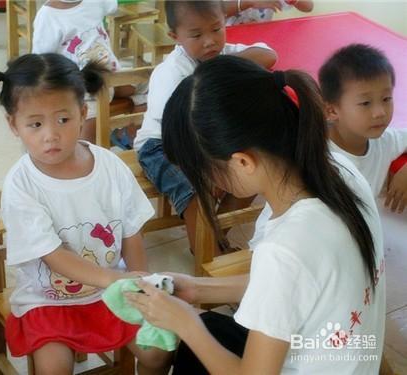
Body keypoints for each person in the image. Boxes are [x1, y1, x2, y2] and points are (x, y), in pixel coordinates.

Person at [126, 55, 385, 374]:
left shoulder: (286, 246)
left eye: (203, 174)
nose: (207, 184)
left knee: (198, 338)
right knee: (209, 331)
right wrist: (197, 288)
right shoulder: (340, 171)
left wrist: (186, 324)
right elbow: (291, 285)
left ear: (242, 162)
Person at [0, 53, 172, 374]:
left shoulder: (109, 166)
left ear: (82, 113)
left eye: (63, 119)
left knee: (157, 353)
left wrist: (141, 284)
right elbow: (53, 256)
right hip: (48, 300)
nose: (50, 134)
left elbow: (131, 231)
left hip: (111, 291)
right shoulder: (22, 184)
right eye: (35, 124)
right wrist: (116, 278)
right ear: (14, 125)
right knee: (54, 369)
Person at [133, 0, 277, 255]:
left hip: (204, 140)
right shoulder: (172, 72)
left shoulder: (221, 55)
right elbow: (176, 131)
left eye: (216, 29)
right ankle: (204, 252)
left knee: (254, 170)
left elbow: (268, 55)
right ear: (175, 37)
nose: (210, 41)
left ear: (224, 21)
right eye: (197, 35)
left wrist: (219, 67)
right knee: (194, 189)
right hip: (161, 145)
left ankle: (212, 235)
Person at [32, 0, 146, 147]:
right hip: (84, 89)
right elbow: (41, 63)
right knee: (87, 135)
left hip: (113, 77)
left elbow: (113, 5)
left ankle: (128, 135)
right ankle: (86, 157)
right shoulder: (47, 16)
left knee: (151, 83)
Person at [319, 43, 407, 213]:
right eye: (365, 103)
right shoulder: (315, 153)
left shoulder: (385, 141)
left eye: (386, 99)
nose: (380, 112)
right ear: (332, 110)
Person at [223, 0, 313, 26]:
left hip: (259, 35)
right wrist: (249, 3)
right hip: (226, 37)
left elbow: (309, 7)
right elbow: (213, 11)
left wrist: (295, 1)